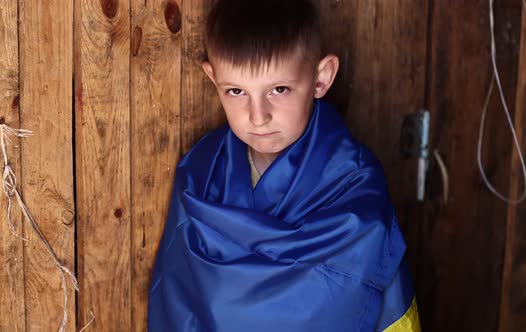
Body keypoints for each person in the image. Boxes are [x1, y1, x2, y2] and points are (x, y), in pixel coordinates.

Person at [148, 0, 420, 331]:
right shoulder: (200, 175)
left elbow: (383, 299)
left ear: (321, 78)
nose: (258, 117)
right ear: (212, 77)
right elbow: (177, 299)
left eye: (279, 89)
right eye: (236, 91)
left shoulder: (355, 182)